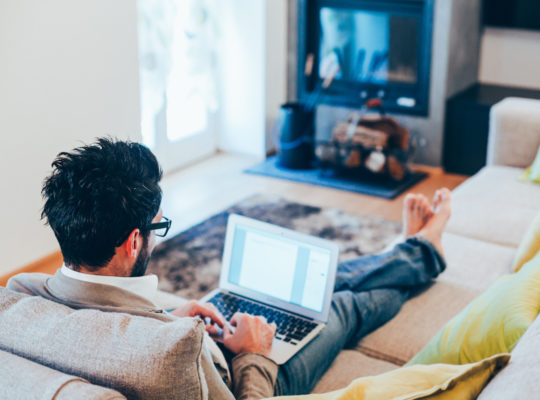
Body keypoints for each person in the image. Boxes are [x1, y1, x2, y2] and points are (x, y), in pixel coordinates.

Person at [8, 138, 451, 399]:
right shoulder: (170, 355)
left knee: (323, 283)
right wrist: (255, 353)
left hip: (194, 338)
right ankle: (420, 251)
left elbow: (100, 329)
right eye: (157, 226)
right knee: (344, 307)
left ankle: (409, 250)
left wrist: (166, 318)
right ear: (133, 242)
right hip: (250, 372)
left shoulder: (21, 296)